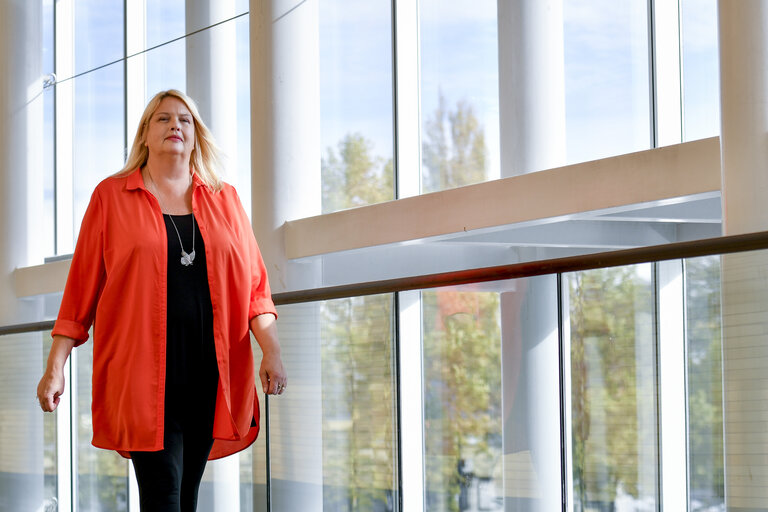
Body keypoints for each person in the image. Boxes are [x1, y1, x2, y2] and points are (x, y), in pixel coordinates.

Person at [36, 89, 286, 511]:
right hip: (142, 374)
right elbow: (80, 290)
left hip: (211, 372)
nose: (176, 126)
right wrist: (54, 367)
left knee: (184, 495)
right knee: (163, 495)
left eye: (185, 120)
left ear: (195, 136)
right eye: (164, 119)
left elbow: (255, 287)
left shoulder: (225, 199)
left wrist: (272, 351)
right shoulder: (111, 197)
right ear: (145, 136)